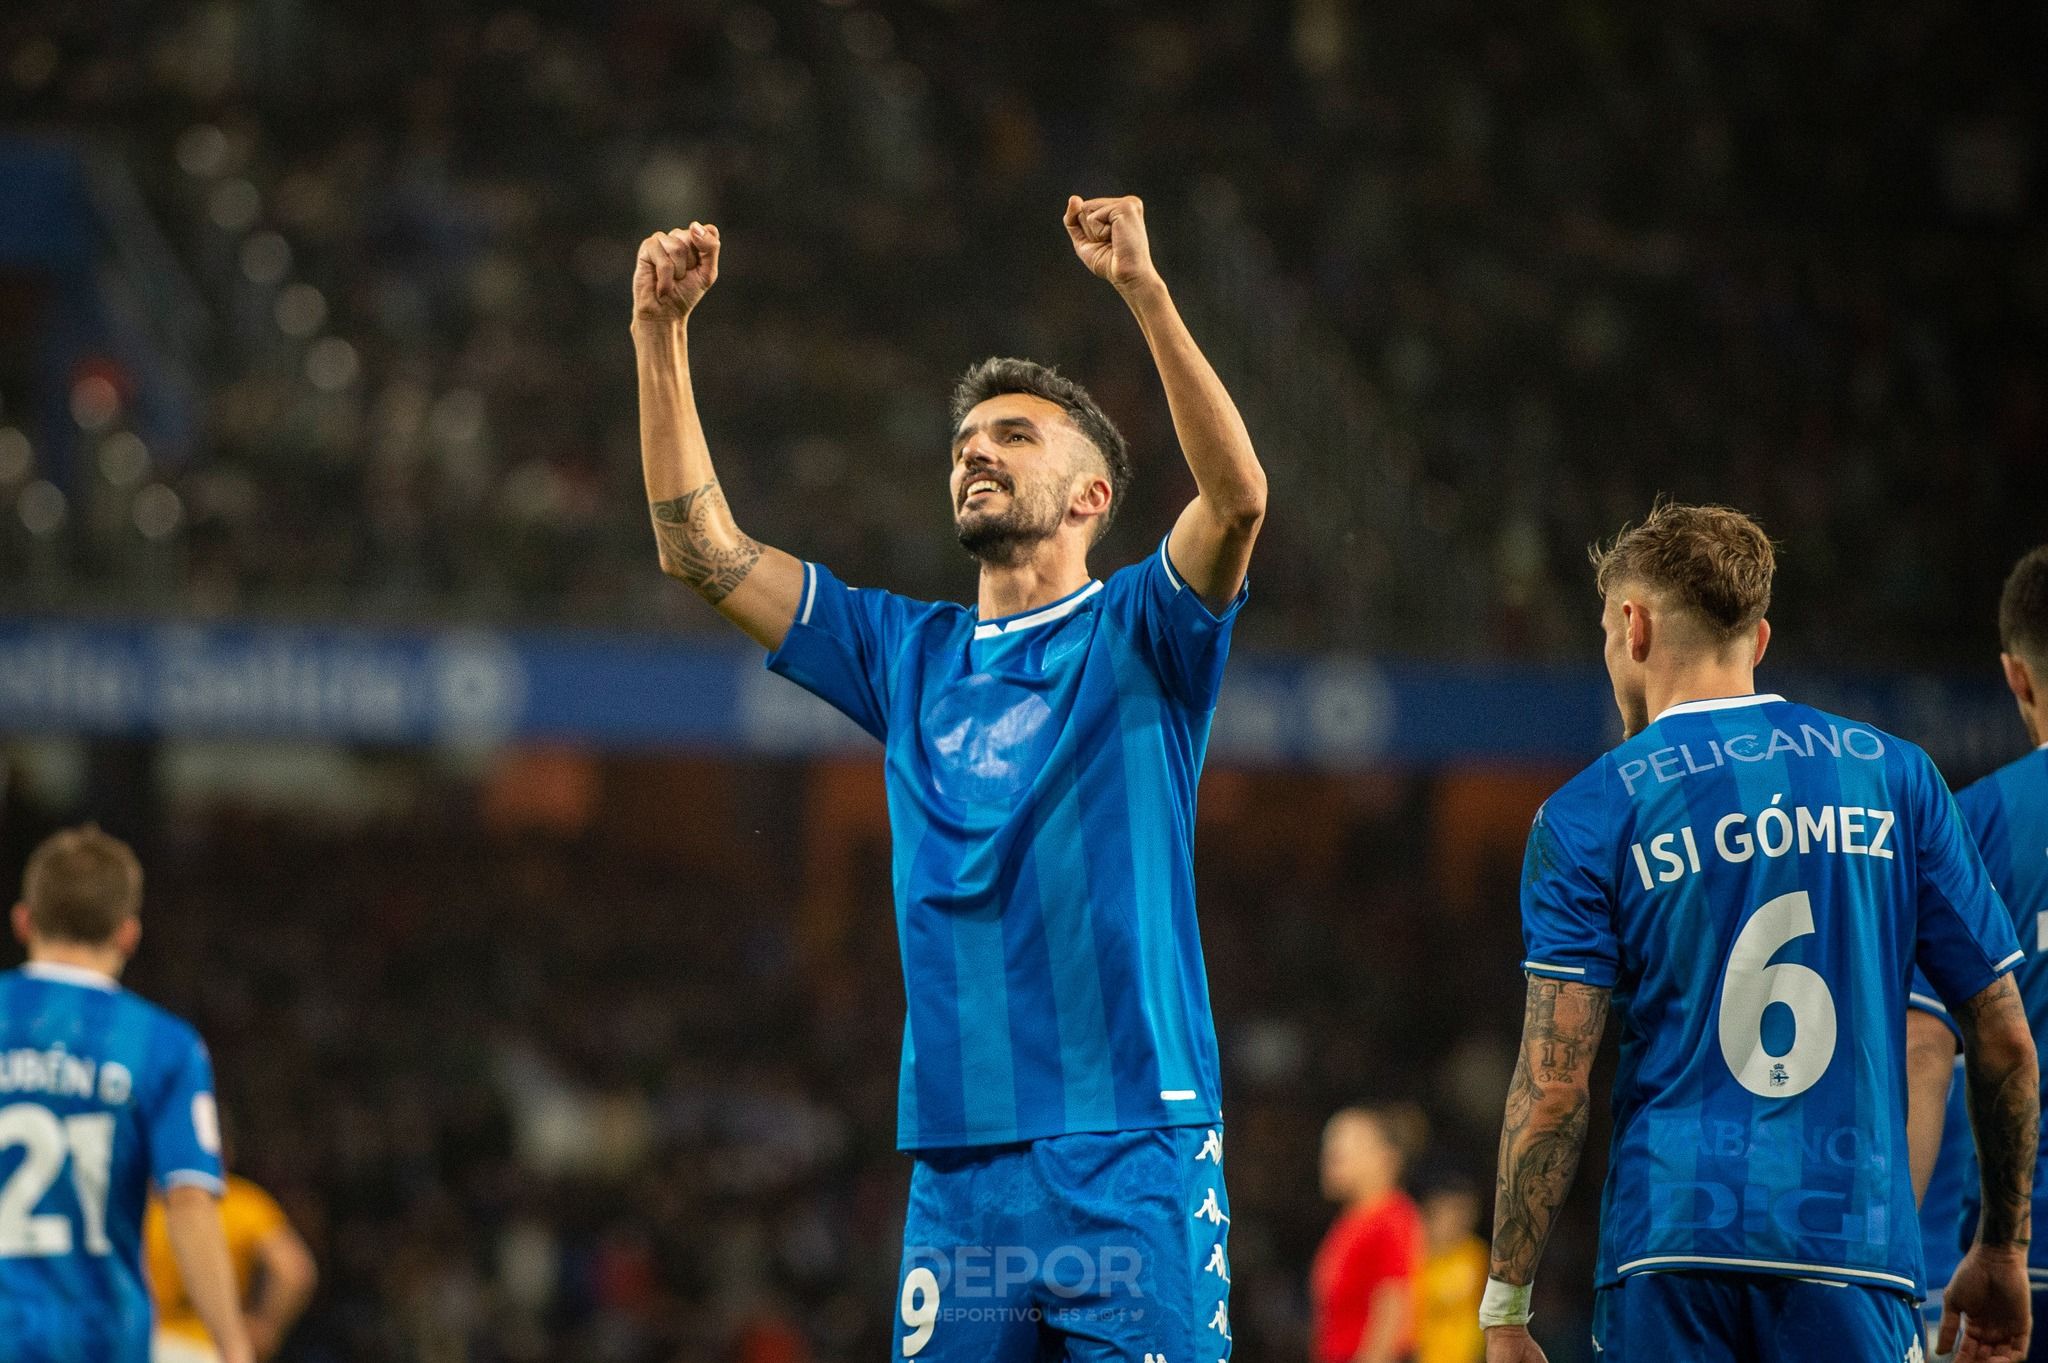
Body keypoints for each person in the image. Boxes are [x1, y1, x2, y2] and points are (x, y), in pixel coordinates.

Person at [629, 195, 1266, 1361]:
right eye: (965, 439)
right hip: (961, 1169)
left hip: (1131, 1150)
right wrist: (657, 336)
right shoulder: (902, 652)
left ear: (1090, 498)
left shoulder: (1143, 632)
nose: (974, 447)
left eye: (1013, 436)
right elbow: (697, 548)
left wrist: (1143, 291)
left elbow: (1235, 501)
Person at [1479, 502, 2039, 1363]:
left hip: (1669, 1254)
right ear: (1759, 638)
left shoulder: (1589, 811)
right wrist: (2000, 1243)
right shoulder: (1896, 777)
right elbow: (2002, 1035)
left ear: (1632, 625)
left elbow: (1554, 1085)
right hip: (1852, 1254)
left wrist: (1507, 1304)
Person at [0, 825, 253, 1363]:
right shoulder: (165, 1046)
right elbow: (187, 1201)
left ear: (23, 920)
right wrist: (233, 1346)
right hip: (98, 1338)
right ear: (128, 933)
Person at [1908, 544, 2048, 1358]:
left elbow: (1925, 1047)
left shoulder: (1975, 824)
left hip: (2014, 1267)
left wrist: (1880, 1262)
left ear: (2017, 678)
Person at [144, 1139, 318, 1363]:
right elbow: (294, 1270)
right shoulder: (242, 1202)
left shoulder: (142, 1206)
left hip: (144, 1346)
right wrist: (265, 1327)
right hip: (215, 1349)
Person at [1311, 1106, 1425, 1363]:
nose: (1332, 1151)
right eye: (1329, 1142)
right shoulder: (1349, 1222)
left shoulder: (1393, 1217)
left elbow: (1393, 1309)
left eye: (1347, 1142)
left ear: (1387, 1158)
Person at [1414, 1176, 1487, 1363]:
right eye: (1452, 1210)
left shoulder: (1476, 1254)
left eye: (1467, 1211)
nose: (1460, 1220)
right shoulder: (1413, 1256)